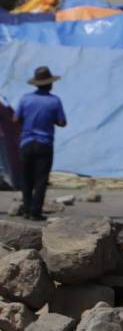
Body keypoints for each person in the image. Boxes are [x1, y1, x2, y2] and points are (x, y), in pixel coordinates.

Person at [12, 67, 68, 221]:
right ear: (49, 84)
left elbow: (16, 119)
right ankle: (36, 211)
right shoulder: (54, 101)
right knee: (41, 179)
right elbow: (62, 122)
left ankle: (27, 209)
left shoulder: (25, 99)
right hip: (45, 144)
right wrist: (52, 120)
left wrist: (27, 120)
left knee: (26, 178)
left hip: (27, 142)